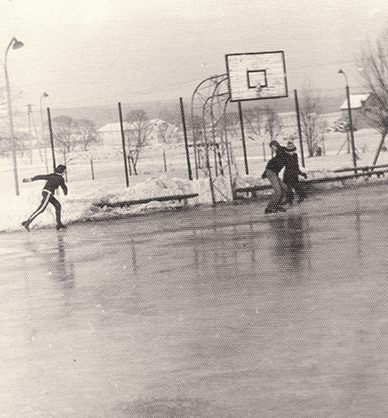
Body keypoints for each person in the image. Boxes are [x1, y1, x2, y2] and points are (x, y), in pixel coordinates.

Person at [21, 165, 68, 231]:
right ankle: (27, 222)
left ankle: (59, 224)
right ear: (62, 171)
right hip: (48, 193)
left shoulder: (52, 175)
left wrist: (31, 179)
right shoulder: (60, 178)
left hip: (47, 193)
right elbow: (63, 186)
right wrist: (65, 191)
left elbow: (40, 177)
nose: (65, 172)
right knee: (41, 209)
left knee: (58, 206)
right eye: (64, 171)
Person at [262, 140, 289, 214]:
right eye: (271, 147)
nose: (272, 149)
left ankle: (277, 205)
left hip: (273, 173)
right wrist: (266, 171)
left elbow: (277, 159)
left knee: (285, 188)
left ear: (275, 145)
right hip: (271, 173)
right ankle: (269, 209)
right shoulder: (280, 153)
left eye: (273, 147)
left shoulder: (281, 151)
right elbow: (273, 162)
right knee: (278, 191)